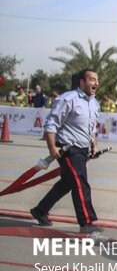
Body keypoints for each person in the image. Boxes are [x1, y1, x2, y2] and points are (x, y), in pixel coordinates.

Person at [30, 69, 101, 233]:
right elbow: (51, 123)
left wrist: (94, 146)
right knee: (80, 184)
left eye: (96, 80)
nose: (96, 83)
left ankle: (40, 211)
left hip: (83, 150)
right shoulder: (68, 99)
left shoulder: (93, 102)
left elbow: (91, 128)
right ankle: (87, 223)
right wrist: (52, 147)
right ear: (82, 82)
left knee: (67, 183)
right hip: (68, 149)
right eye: (91, 79)